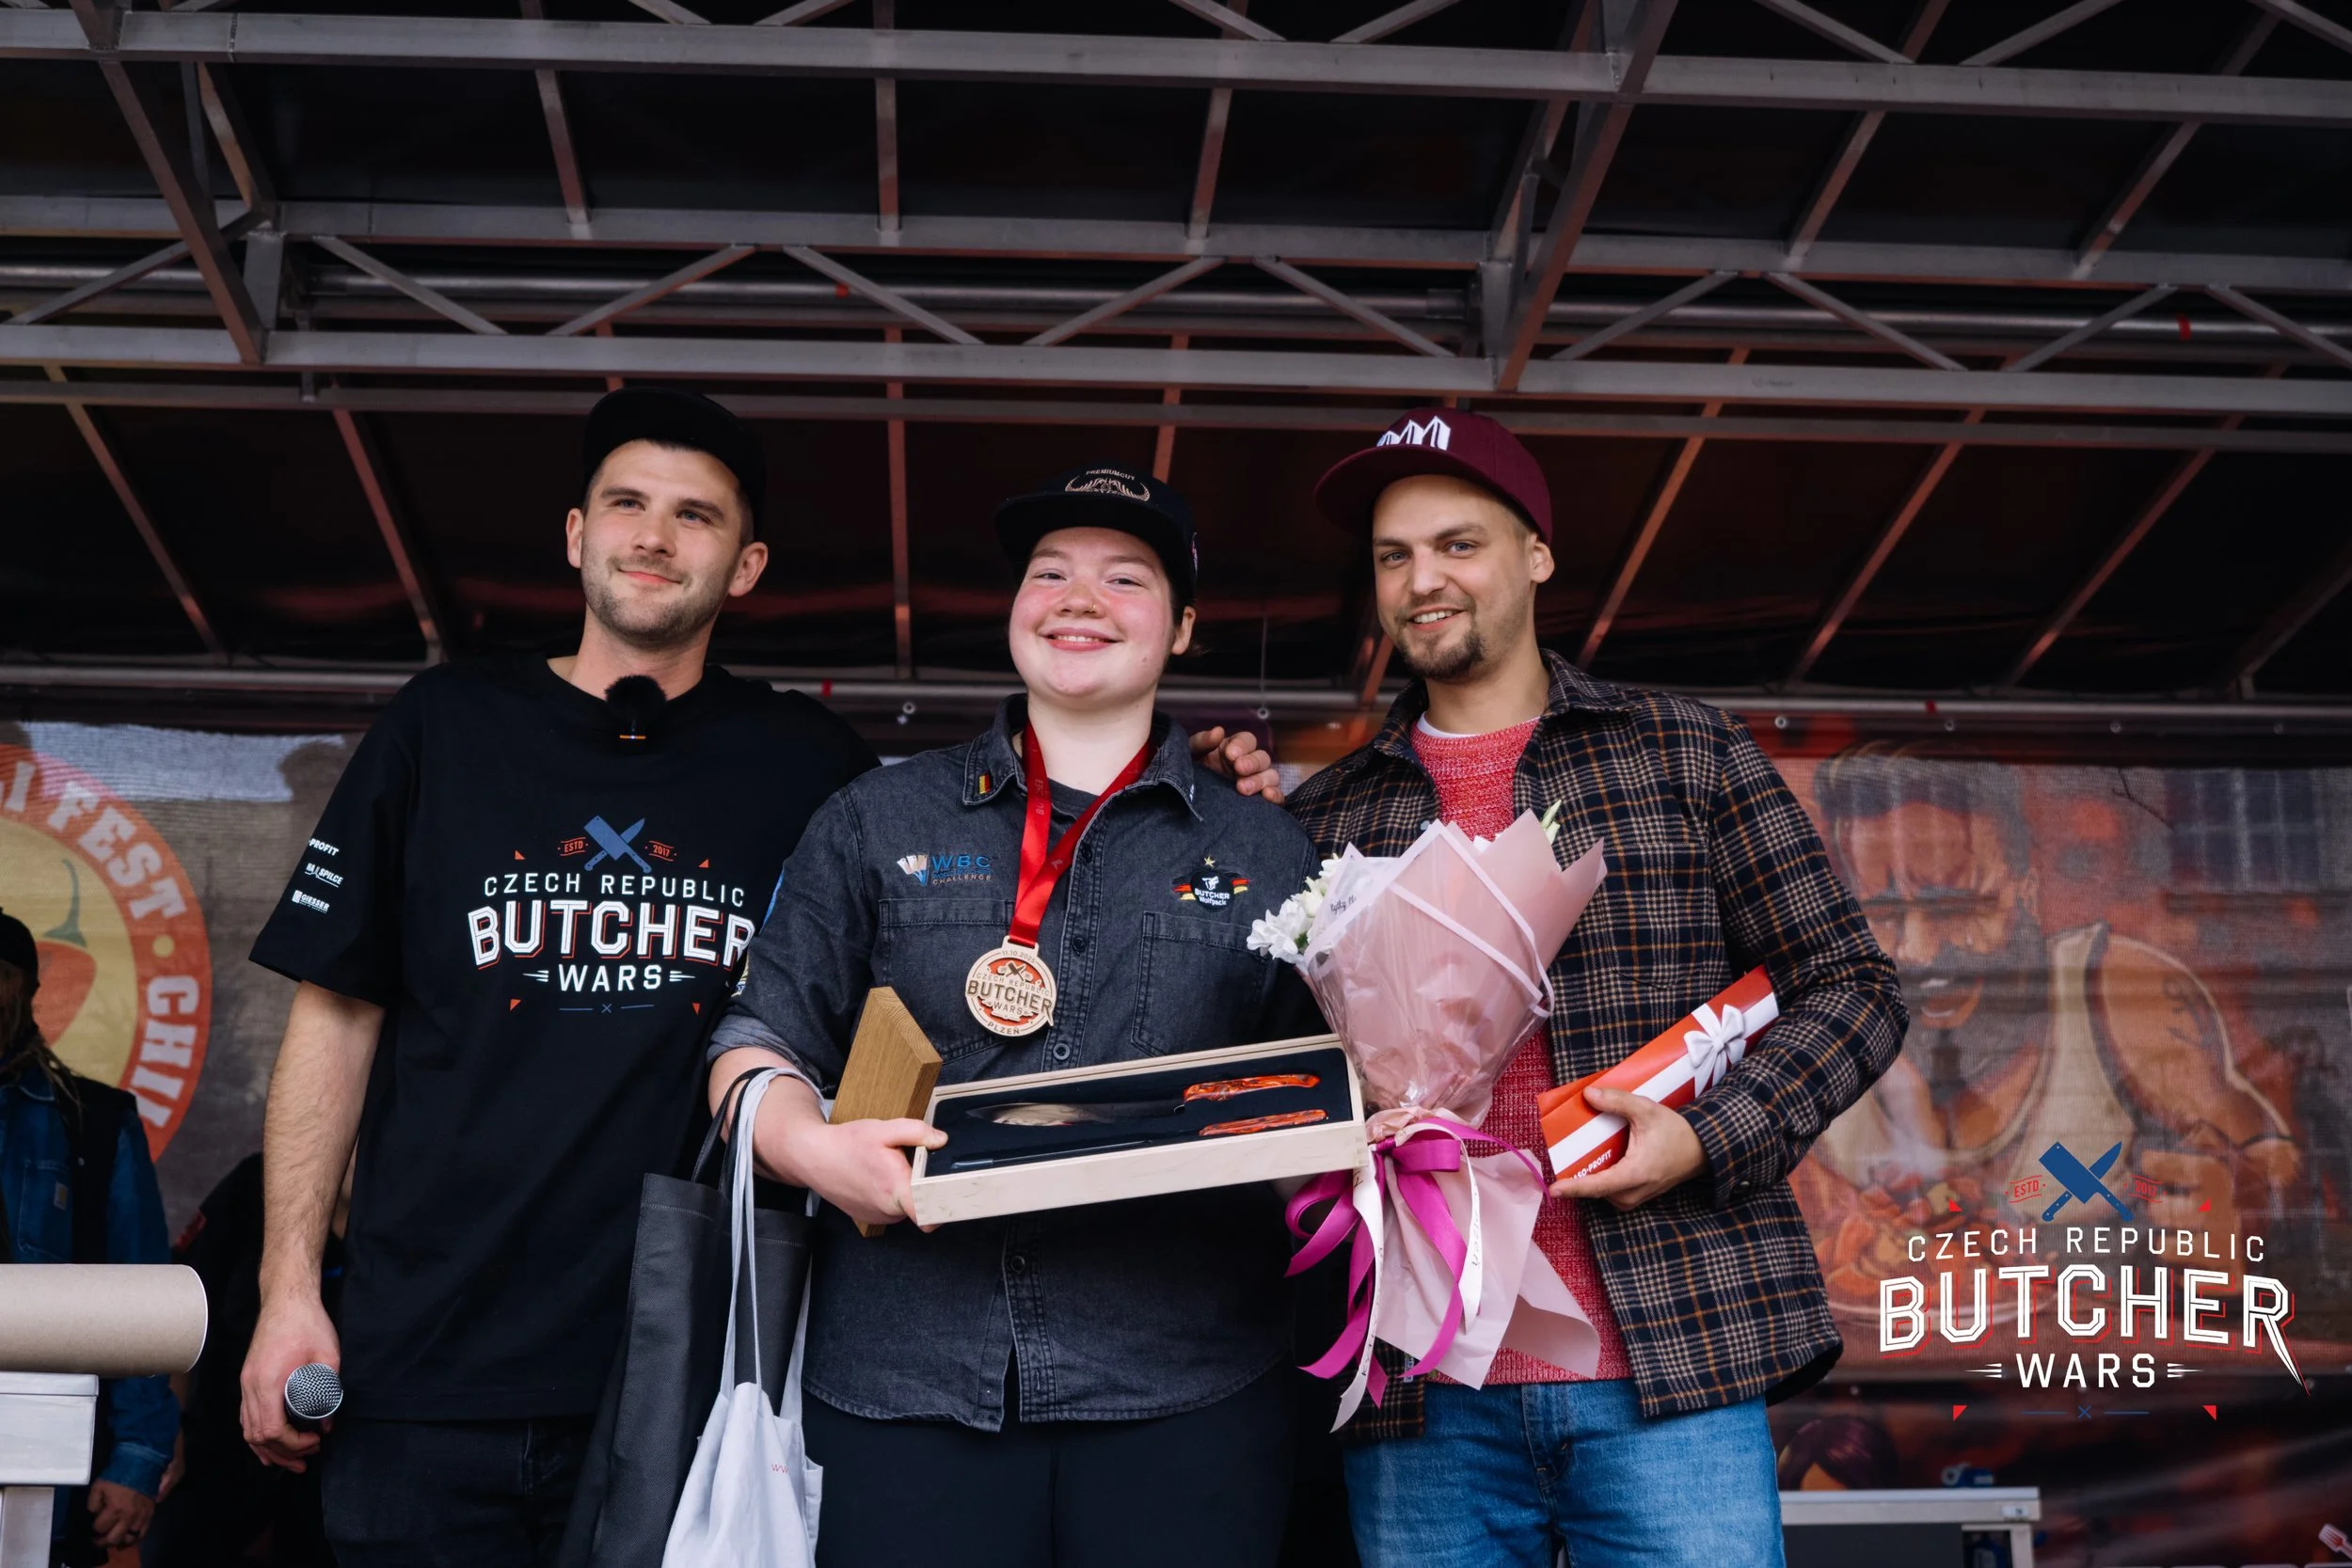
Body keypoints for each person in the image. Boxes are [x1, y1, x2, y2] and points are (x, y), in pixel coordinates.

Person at [236, 390, 1284, 1565]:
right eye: (626, 504)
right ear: (575, 532)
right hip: (428, 1352)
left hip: (695, 1352)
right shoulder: (445, 728)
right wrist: (287, 1287)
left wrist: (1206, 785)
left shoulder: (816, 771)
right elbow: (335, 1012)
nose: (651, 536)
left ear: (747, 564)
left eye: (693, 515)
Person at [1284, 410, 1908, 1568]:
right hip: (1424, 1384)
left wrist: (1706, 1136)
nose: (1423, 580)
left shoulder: (1679, 751)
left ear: (1536, 555)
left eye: (1457, 544)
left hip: (1666, 1354)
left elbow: (1854, 986)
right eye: (1392, 556)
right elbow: (1277, 1072)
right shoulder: (1319, 818)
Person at [707, 463, 1326, 1568]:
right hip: (904, 1377)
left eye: (1124, 577)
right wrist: (813, 1150)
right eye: (1050, 572)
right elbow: (755, 1040)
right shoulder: (871, 815)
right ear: (1014, 609)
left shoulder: (1267, 848)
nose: (1078, 597)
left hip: (1186, 1383)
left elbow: (1326, 1095)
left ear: (1182, 628)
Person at [1798, 743, 2298, 1317]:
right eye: (1883, 913)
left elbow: (2277, 1163)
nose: (1918, 950)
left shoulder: (2115, 990)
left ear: (2025, 889)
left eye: (1954, 903)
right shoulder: (1818, 1029)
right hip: (1878, 1382)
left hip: (2092, 1379)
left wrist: (2242, 1203)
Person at [0, 909, 179, 1565]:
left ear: (24, 988)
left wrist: (137, 1455)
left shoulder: (93, 1122)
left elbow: (141, 1301)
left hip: (42, 1456)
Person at [147, 1151, 343, 1568]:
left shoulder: (413, 1207)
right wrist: (170, 1427)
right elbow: (183, 1306)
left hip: (346, 1463)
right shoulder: (261, 1181)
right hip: (221, 1442)